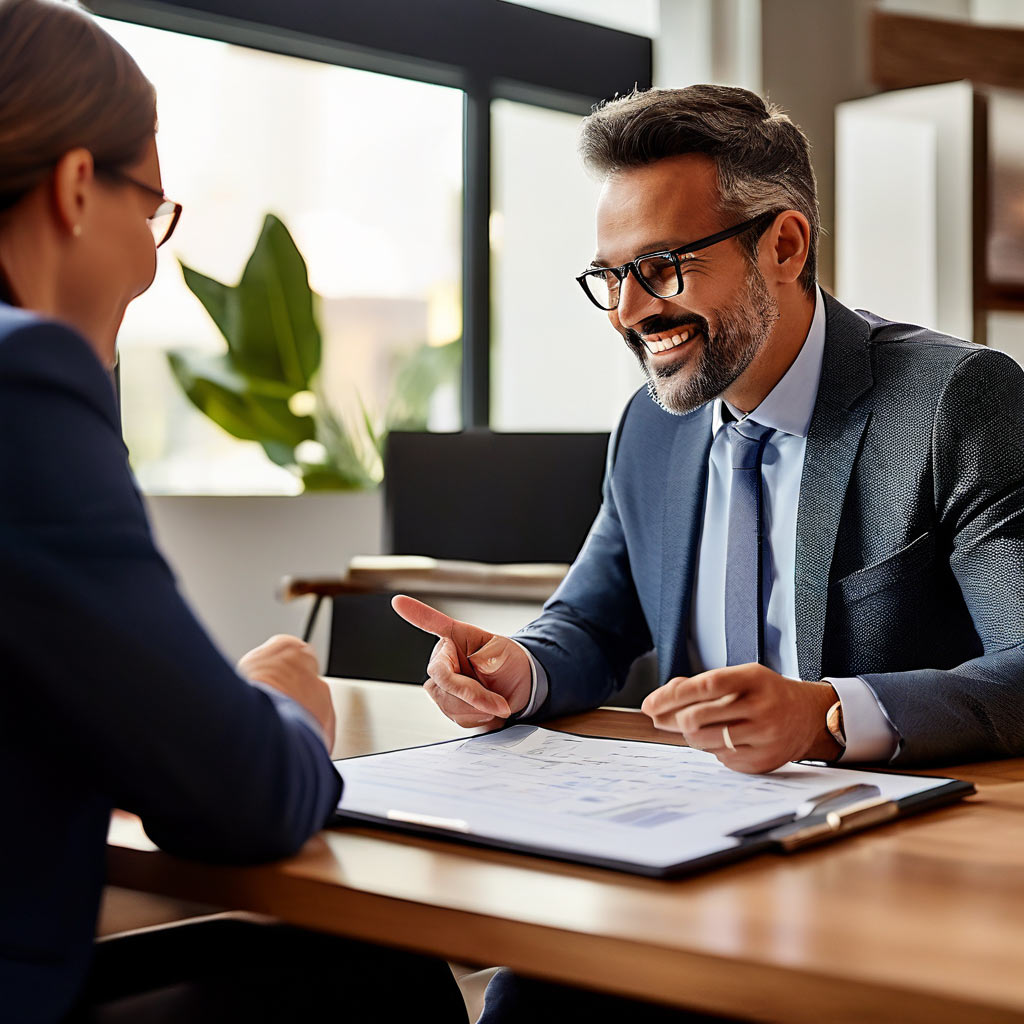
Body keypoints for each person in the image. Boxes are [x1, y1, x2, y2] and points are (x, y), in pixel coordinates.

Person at [394, 83, 1024, 1019]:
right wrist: (515, 669)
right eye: (611, 276)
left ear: (785, 244)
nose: (627, 310)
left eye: (664, 267)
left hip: (881, 883)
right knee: (525, 1002)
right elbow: (591, 620)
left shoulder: (952, 402)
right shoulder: (652, 429)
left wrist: (826, 717)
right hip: (679, 861)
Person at [0, 2, 466, 1021]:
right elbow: (243, 796)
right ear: (78, 185)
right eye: (153, 211)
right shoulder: (22, 381)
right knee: (380, 987)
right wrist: (288, 711)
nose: (153, 259)